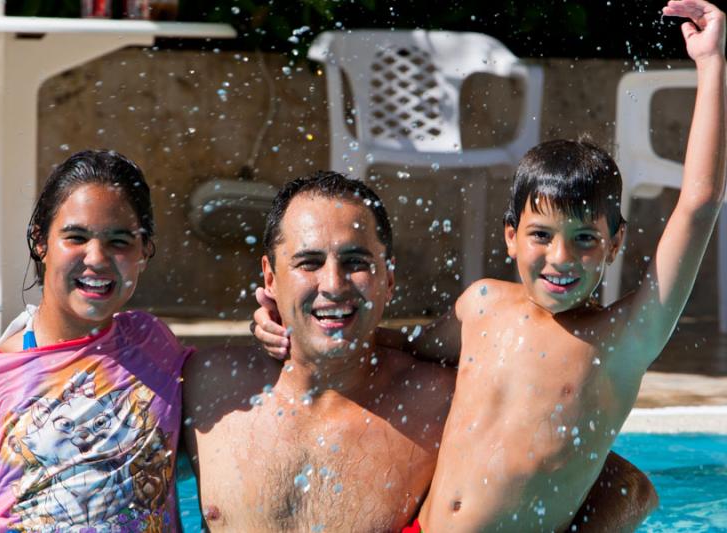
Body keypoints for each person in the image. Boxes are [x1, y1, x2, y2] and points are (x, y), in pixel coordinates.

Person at [253, 1, 724, 530]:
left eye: (585, 239)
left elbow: (699, 203)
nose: (560, 258)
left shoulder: (624, 336)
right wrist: (296, 332)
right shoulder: (482, 305)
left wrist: (711, 65)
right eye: (541, 235)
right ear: (510, 237)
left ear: (615, 244)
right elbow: (403, 348)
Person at [186, 172, 656, 531]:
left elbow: (626, 490)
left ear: (389, 278)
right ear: (270, 278)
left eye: (356, 263)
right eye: (308, 263)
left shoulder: (440, 402)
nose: (332, 285)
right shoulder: (207, 388)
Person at [0, 150, 192, 532]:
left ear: (144, 251)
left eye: (119, 241)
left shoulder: (152, 345)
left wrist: (267, 325)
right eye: (76, 237)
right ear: (40, 241)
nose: (97, 259)